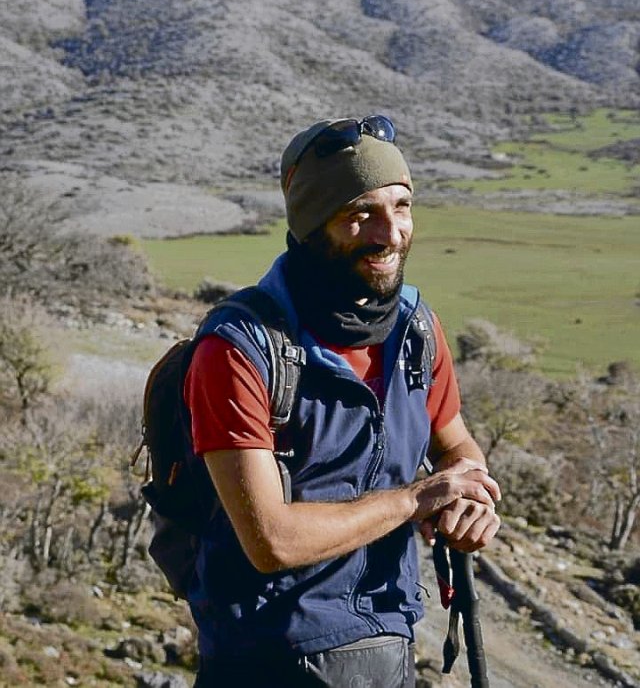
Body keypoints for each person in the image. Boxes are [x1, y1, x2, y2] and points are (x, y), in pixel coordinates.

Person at [183, 115, 501, 687]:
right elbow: (271, 541)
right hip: (267, 660)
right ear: (311, 224)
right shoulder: (240, 350)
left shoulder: (417, 330)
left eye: (400, 207)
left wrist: (470, 498)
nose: (391, 232)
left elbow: (457, 447)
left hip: (388, 645)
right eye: (361, 215)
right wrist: (416, 501)